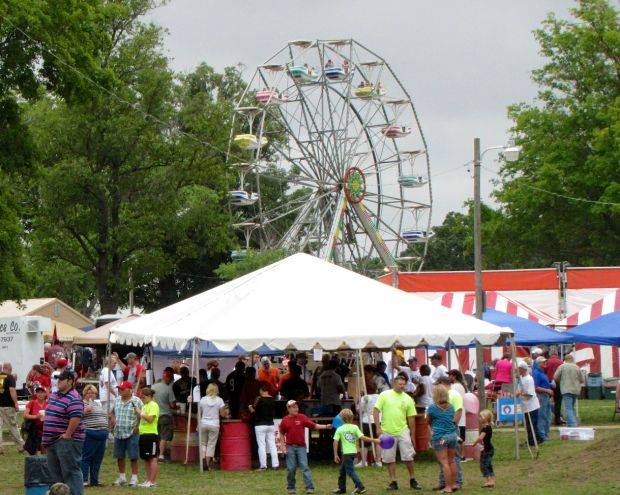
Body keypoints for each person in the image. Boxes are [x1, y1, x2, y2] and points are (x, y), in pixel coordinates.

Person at [373, 374, 422, 491]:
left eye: (403, 385)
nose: (402, 387)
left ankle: (412, 479)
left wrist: (412, 435)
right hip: (387, 431)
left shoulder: (408, 399)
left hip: (403, 430)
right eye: (400, 384)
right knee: (389, 458)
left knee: (409, 456)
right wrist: (378, 427)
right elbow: (375, 411)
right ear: (394, 383)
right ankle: (393, 481)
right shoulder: (384, 395)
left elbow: (411, 418)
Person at [42, 369, 85, 495]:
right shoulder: (54, 395)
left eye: (61, 379)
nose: (58, 381)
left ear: (70, 381)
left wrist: (67, 435)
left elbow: (76, 417)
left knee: (70, 471)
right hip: (52, 441)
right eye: (57, 378)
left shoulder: (75, 397)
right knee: (54, 472)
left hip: (67, 440)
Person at [279, 399, 331, 494]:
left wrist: (326, 426)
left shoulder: (302, 417)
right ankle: (291, 488)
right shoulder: (285, 420)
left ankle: (309, 488)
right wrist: (282, 446)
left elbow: (314, 426)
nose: (296, 409)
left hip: (301, 447)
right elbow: (281, 433)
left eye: (297, 407)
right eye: (293, 407)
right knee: (291, 468)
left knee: (305, 467)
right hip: (290, 447)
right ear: (288, 408)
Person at [332, 408, 379, 494]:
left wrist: (335, 454)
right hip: (353, 452)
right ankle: (342, 488)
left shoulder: (340, 429)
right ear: (352, 417)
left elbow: (335, 442)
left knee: (350, 471)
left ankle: (360, 487)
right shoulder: (355, 427)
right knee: (342, 471)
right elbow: (363, 438)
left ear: (342, 418)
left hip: (346, 453)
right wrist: (374, 440)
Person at [426, 385, 458, 494]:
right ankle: (453, 484)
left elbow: (428, 421)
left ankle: (447, 487)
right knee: (452, 460)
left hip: (441, 438)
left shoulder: (432, 408)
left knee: (444, 462)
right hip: (452, 436)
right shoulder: (452, 407)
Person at [111, 380, 143, 486]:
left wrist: (138, 426)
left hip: (132, 432)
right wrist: (113, 419)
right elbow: (112, 412)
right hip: (118, 432)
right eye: (119, 389)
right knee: (119, 456)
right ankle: (122, 477)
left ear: (129, 390)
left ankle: (134, 478)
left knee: (133, 456)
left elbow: (142, 414)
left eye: (122, 389)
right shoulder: (117, 400)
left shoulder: (137, 401)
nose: (120, 391)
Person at [434, 377, 463, 491]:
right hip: (442, 430)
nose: (436, 387)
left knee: (453, 456)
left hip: (450, 430)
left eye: (437, 384)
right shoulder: (442, 396)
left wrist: (452, 425)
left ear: (443, 384)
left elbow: (458, 411)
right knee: (443, 457)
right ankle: (444, 481)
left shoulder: (454, 394)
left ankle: (457, 481)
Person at [80, 385, 108, 487]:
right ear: (85, 394)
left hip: (102, 434)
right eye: (89, 393)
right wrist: (85, 410)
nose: (91, 395)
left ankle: (95, 480)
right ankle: (84, 480)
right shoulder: (82, 403)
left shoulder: (97, 404)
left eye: (93, 393)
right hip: (90, 433)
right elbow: (77, 415)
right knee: (86, 458)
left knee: (97, 459)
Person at [198, 383, 228, 470]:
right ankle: (207, 465)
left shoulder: (203, 400)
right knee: (211, 445)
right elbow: (222, 414)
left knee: (203, 443)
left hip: (203, 423)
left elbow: (199, 413)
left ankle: (203, 460)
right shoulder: (219, 400)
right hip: (214, 424)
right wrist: (226, 412)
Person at [249, 384, 279, 470]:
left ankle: (263, 466)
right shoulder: (273, 399)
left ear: (262, 390)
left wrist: (250, 407)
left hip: (260, 425)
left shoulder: (259, 399)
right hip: (270, 424)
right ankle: (275, 465)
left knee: (261, 445)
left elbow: (253, 411)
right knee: (272, 445)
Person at [151, 367, 177, 461]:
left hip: (154, 415)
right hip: (165, 415)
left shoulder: (153, 387)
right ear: (169, 378)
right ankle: (161, 455)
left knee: (156, 435)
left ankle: (155, 453)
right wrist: (175, 405)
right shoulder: (168, 389)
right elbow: (172, 404)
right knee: (164, 436)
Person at [0, 361, 25, 453]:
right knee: (12, 426)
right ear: (9, 369)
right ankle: (22, 445)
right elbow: (12, 390)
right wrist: (16, 403)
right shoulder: (10, 377)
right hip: (8, 406)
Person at [137, 387, 159, 487]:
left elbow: (150, 419)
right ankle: (148, 480)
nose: (142, 399)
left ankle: (153, 482)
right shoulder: (145, 405)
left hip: (151, 435)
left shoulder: (153, 405)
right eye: (141, 397)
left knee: (152, 457)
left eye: (144, 397)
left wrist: (140, 413)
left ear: (149, 396)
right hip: (143, 434)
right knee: (146, 458)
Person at [553, 354, 584, 427]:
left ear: (565, 359)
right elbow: (582, 379)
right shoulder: (577, 367)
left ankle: (573, 425)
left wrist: (561, 380)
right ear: (572, 359)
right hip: (576, 390)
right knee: (571, 408)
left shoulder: (562, 367)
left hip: (566, 389)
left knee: (568, 408)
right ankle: (570, 424)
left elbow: (555, 377)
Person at [516, 361, 542, 446]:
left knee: (532, 424)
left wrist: (520, 393)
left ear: (522, 369)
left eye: (518, 369)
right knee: (528, 424)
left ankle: (533, 440)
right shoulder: (520, 378)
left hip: (532, 405)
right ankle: (536, 439)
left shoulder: (529, 379)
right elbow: (519, 390)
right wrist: (517, 393)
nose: (517, 370)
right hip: (525, 405)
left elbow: (530, 394)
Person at [358, 376, 380, 467]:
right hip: (378, 420)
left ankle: (364, 461)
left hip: (367, 421)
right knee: (378, 441)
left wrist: (359, 401)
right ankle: (378, 461)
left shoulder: (364, 398)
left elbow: (359, 410)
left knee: (364, 442)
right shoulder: (379, 397)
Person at [472, 409, 495, 488]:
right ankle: (492, 481)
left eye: (481, 417)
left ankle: (489, 481)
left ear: (486, 418)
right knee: (488, 465)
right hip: (489, 449)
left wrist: (474, 443)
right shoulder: (487, 427)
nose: (479, 418)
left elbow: (480, 438)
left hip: (487, 450)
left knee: (484, 465)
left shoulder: (485, 428)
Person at [533, 357, 554, 441]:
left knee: (548, 415)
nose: (545, 363)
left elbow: (542, 384)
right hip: (541, 396)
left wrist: (550, 384)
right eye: (543, 362)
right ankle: (542, 435)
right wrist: (547, 390)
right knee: (542, 415)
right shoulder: (537, 373)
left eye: (545, 361)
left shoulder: (542, 373)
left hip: (546, 396)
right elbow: (536, 387)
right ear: (538, 364)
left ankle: (545, 433)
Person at [23, 385, 48, 455]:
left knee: (45, 453)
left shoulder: (49, 403)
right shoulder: (32, 403)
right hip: (34, 431)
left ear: (45, 393)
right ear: (36, 394)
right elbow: (25, 415)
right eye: (38, 392)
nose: (40, 394)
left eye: (42, 392)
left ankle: (44, 466)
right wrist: (36, 417)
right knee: (33, 453)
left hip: (46, 431)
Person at [448, 369, 468, 441]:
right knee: (460, 442)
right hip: (461, 418)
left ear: (454, 376)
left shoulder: (454, 387)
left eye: (449, 375)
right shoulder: (461, 386)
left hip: (457, 419)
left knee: (456, 442)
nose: (448, 377)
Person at [545, 352, 564, 425]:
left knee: (546, 400)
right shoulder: (561, 362)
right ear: (557, 356)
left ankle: (547, 419)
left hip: (548, 382)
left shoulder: (547, 362)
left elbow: (544, 371)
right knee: (558, 402)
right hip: (558, 382)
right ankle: (557, 420)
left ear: (550, 355)